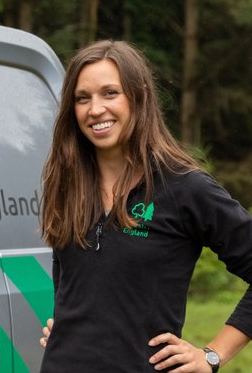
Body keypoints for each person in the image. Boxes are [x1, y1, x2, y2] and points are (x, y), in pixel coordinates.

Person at [38, 40, 252, 372]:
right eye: (83, 98)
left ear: (139, 98)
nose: (95, 109)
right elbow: (72, 281)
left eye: (110, 93)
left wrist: (211, 355)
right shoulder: (68, 183)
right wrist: (69, 321)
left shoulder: (184, 187)